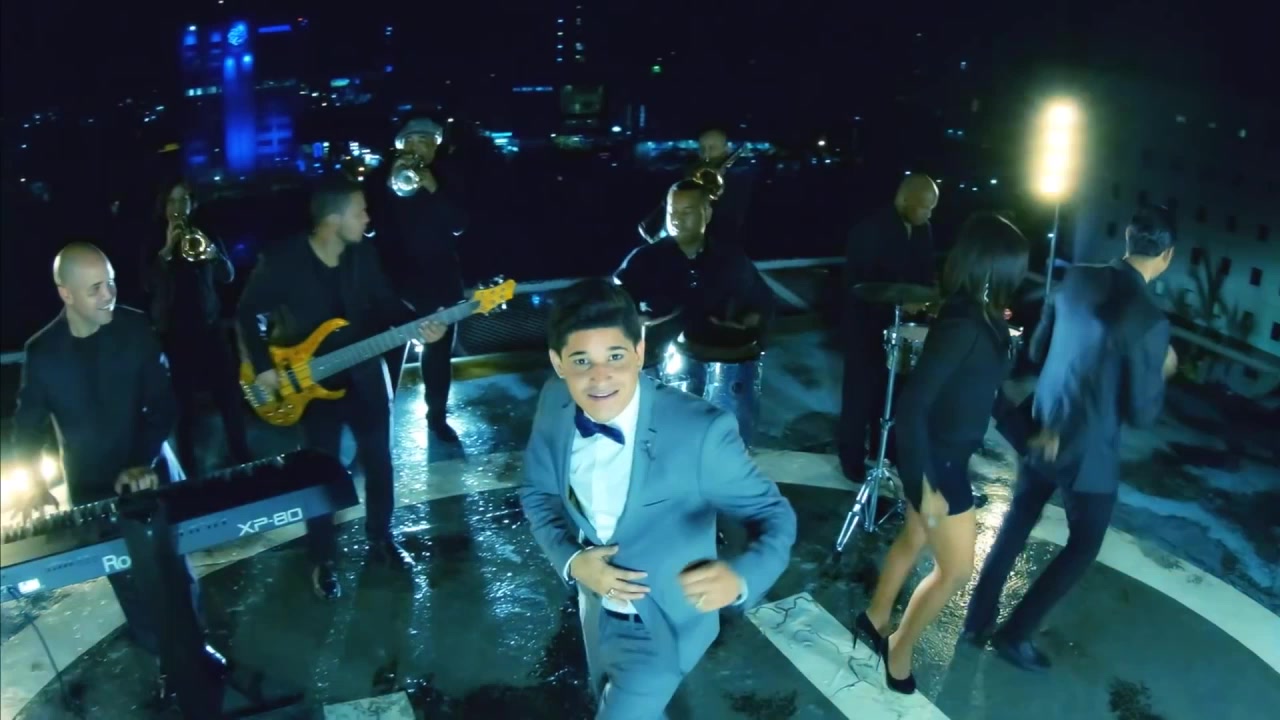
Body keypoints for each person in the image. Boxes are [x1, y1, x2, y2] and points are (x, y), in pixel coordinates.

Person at [519, 279, 796, 718]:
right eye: (581, 361)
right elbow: (537, 493)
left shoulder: (700, 432)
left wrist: (740, 577)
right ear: (558, 363)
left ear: (639, 352)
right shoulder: (555, 402)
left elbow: (773, 513)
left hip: (663, 628)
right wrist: (572, 561)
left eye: (615, 356)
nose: (599, 377)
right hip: (594, 611)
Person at [961, 206, 1180, 671]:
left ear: (1127, 237)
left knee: (1018, 522)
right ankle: (1015, 635)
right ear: (1167, 256)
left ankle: (977, 621)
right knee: (1083, 545)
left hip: (1041, 428)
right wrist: (1161, 369)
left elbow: (1038, 350)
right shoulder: (1150, 321)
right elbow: (1142, 413)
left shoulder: (1076, 277)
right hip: (1088, 452)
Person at [237, 174, 447, 599]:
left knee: (379, 460)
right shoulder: (282, 260)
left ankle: (381, 539)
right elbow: (245, 312)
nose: (368, 218)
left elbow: (387, 306)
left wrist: (422, 325)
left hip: (364, 375)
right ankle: (322, 558)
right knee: (320, 473)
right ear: (333, 220)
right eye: (360, 211)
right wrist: (262, 368)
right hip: (309, 385)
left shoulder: (363, 253)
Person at [10, 242, 212, 678]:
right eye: (95, 288)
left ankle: (196, 651)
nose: (109, 295)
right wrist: (34, 487)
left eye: (111, 283)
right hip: (92, 486)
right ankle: (164, 663)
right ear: (66, 294)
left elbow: (164, 406)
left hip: (151, 471)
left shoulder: (136, 329)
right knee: (128, 582)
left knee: (176, 572)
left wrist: (140, 461)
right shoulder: (42, 352)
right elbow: (26, 428)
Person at [856, 214, 1030, 693]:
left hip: (947, 456)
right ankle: (899, 648)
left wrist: (1029, 439)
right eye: (1016, 265)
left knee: (914, 537)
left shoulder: (984, 318)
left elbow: (990, 392)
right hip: (940, 463)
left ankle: (875, 617)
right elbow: (911, 408)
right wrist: (923, 484)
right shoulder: (963, 324)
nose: (1021, 275)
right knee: (956, 572)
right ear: (993, 265)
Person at [143, 178, 252, 476]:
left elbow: (228, 276)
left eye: (184, 200)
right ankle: (189, 472)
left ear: (193, 203)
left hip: (210, 329)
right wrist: (167, 249)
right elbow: (147, 284)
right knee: (183, 407)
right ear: (164, 205)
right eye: (172, 201)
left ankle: (245, 459)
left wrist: (214, 254)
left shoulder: (204, 232)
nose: (179, 207)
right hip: (174, 336)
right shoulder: (153, 238)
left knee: (230, 397)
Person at [838, 174, 939, 481]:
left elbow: (925, 275)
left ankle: (885, 451)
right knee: (859, 395)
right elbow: (860, 284)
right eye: (924, 207)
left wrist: (928, 299)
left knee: (892, 393)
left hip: (900, 327)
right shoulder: (868, 230)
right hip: (865, 326)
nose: (928, 214)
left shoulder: (923, 230)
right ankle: (851, 459)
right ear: (904, 199)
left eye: (932, 208)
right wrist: (900, 301)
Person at [615, 179, 775, 369]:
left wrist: (751, 319)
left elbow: (760, 299)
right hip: (656, 361)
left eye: (686, 212)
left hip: (714, 359)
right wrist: (635, 318)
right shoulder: (643, 259)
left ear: (706, 214)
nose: (676, 219)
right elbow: (616, 300)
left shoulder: (730, 258)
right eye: (672, 211)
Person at [382, 117, 469, 443]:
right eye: (413, 140)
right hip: (395, 284)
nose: (420, 147)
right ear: (401, 146)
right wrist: (388, 184)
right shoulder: (384, 176)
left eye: (427, 141)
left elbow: (459, 224)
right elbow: (372, 227)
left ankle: (437, 418)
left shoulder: (448, 177)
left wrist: (434, 188)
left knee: (438, 356)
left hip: (440, 283)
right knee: (389, 356)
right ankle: (380, 419)